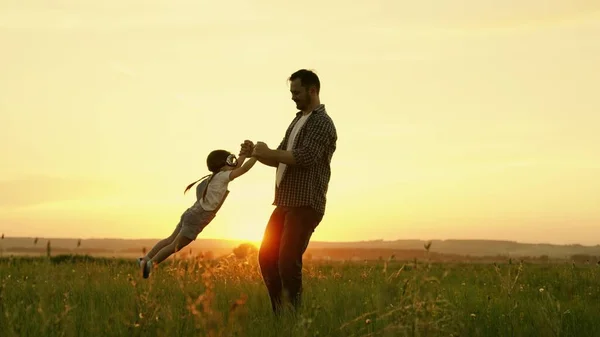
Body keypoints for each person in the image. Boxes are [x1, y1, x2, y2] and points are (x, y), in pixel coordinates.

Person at [239, 69, 337, 314]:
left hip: (305, 203)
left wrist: (268, 152)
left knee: (286, 263)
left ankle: (294, 317)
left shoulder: (321, 122)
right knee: (266, 258)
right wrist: (256, 153)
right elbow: (280, 157)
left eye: (296, 92)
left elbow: (304, 157)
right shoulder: (297, 120)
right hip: (284, 202)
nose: (292, 97)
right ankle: (280, 314)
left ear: (312, 90)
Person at [138, 148, 257, 278]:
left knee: (169, 240)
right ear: (223, 164)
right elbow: (243, 169)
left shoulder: (215, 176)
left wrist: (244, 155)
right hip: (197, 218)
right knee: (174, 246)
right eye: (230, 160)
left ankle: (145, 259)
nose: (233, 163)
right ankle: (150, 264)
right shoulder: (223, 177)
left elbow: (236, 166)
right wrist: (257, 155)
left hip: (191, 213)